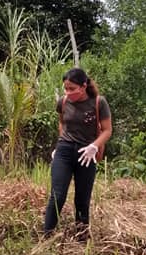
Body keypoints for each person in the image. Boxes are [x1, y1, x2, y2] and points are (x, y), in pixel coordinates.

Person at [44, 67, 112, 237]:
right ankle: (47, 236)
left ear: (83, 86)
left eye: (72, 89)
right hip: (64, 151)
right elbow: (62, 123)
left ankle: (81, 237)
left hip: (86, 154)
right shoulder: (63, 102)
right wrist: (59, 146)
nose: (68, 92)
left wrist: (94, 146)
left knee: (82, 200)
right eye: (65, 88)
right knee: (57, 195)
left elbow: (107, 130)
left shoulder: (98, 102)